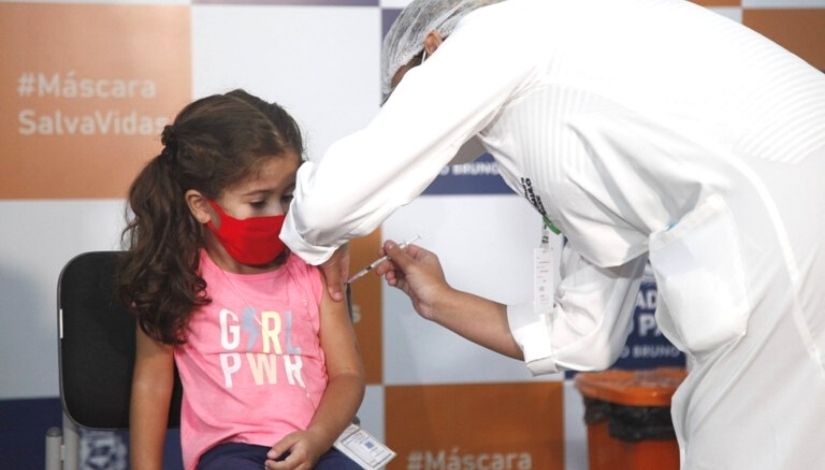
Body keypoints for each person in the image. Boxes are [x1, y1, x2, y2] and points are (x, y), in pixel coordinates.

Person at [279, 0, 825, 468]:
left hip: (789, 229)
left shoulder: (500, 30)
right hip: (781, 229)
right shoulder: (581, 101)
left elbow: (330, 201)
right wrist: (440, 301)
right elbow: (584, 336)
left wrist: (320, 239)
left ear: (433, 45)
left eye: (411, 95)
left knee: (749, 448)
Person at [118, 90, 365, 470]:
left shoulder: (317, 267)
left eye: (287, 197)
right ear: (201, 205)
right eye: (257, 202)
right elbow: (151, 386)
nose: (277, 214)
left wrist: (316, 439)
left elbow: (347, 375)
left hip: (322, 444)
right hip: (231, 454)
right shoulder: (175, 277)